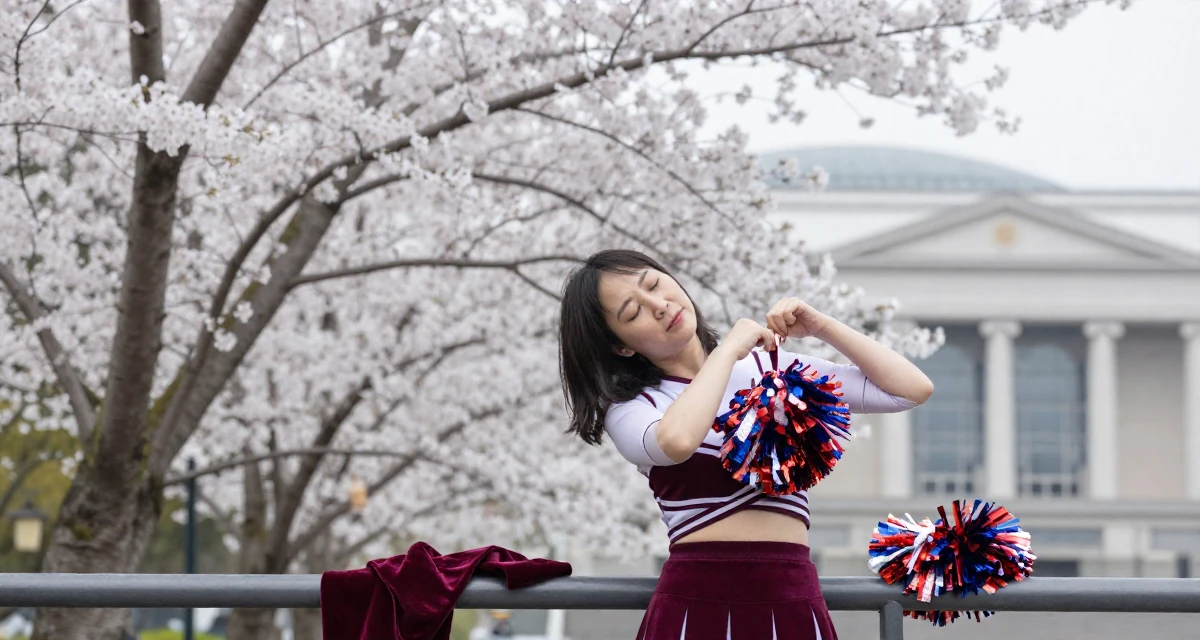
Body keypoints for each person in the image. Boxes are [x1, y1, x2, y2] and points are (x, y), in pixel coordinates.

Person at [558, 249, 934, 640]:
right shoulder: (632, 408)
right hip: (695, 606)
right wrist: (726, 352)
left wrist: (822, 326)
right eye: (634, 312)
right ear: (622, 347)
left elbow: (909, 390)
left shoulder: (769, 367)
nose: (659, 305)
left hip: (793, 597)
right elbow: (677, 441)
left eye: (653, 284)